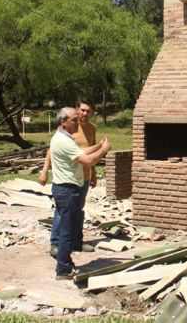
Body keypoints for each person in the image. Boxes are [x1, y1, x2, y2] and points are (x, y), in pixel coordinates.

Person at [48, 107, 110, 280]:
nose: (78, 122)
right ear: (64, 122)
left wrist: (98, 146)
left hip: (63, 188)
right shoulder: (64, 141)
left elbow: (82, 152)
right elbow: (88, 160)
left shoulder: (63, 137)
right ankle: (63, 269)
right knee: (67, 231)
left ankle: (65, 263)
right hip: (67, 190)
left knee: (68, 227)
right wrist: (104, 151)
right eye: (74, 120)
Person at [39, 100, 98, 257]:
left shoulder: (92, 129)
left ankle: (77, 242)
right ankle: (56, 244)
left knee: (78, 211)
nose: (85, 114)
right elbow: (52, 150)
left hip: (83, 176)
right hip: (68, 178)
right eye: (83, 110)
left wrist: (94, 173)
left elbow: (90, 152)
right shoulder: (69, 127)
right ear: (77, 110)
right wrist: (44, 171)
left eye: (89, 111)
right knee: (62, 212)